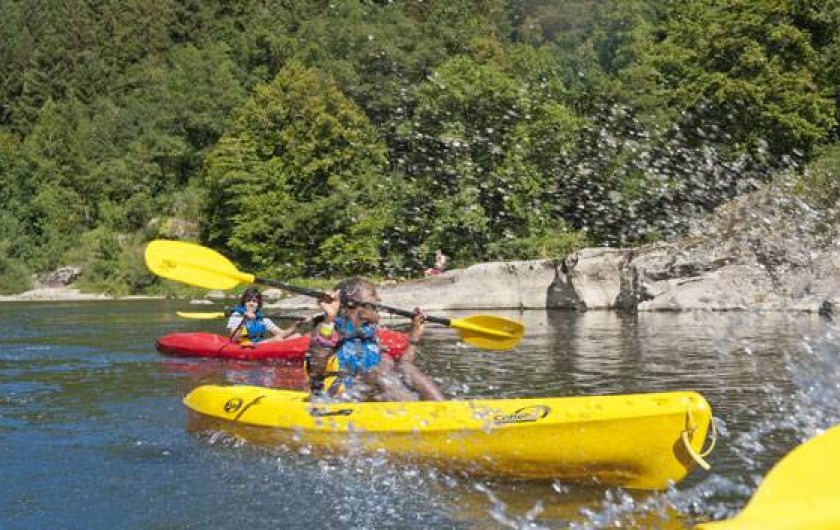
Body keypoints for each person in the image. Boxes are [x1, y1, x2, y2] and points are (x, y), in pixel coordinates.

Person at [305, 277, 444, 402]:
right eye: (373, 298)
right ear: (353, 305)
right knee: (379, 369)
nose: (379, 301)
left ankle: (442, 408)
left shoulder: (368, 334)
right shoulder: (328, 328)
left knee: (400, 365)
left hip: (370, 393)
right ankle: (416, 415)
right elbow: (316, 371)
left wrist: (415, 335)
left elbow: (404, 366)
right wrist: (329, 319)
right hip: (334, 398)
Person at [227, 287, 306, 344]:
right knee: (277, 339)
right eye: (248, 301)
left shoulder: (262, 318)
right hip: (244, 346)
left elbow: (281, 333)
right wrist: (244, 320)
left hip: (259, 344)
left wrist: (296, 325)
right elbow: (234, 339)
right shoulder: (237, 315)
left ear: (258, 304)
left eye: (254, 301)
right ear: (244, 302)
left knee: (297, 336)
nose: (251, 304)